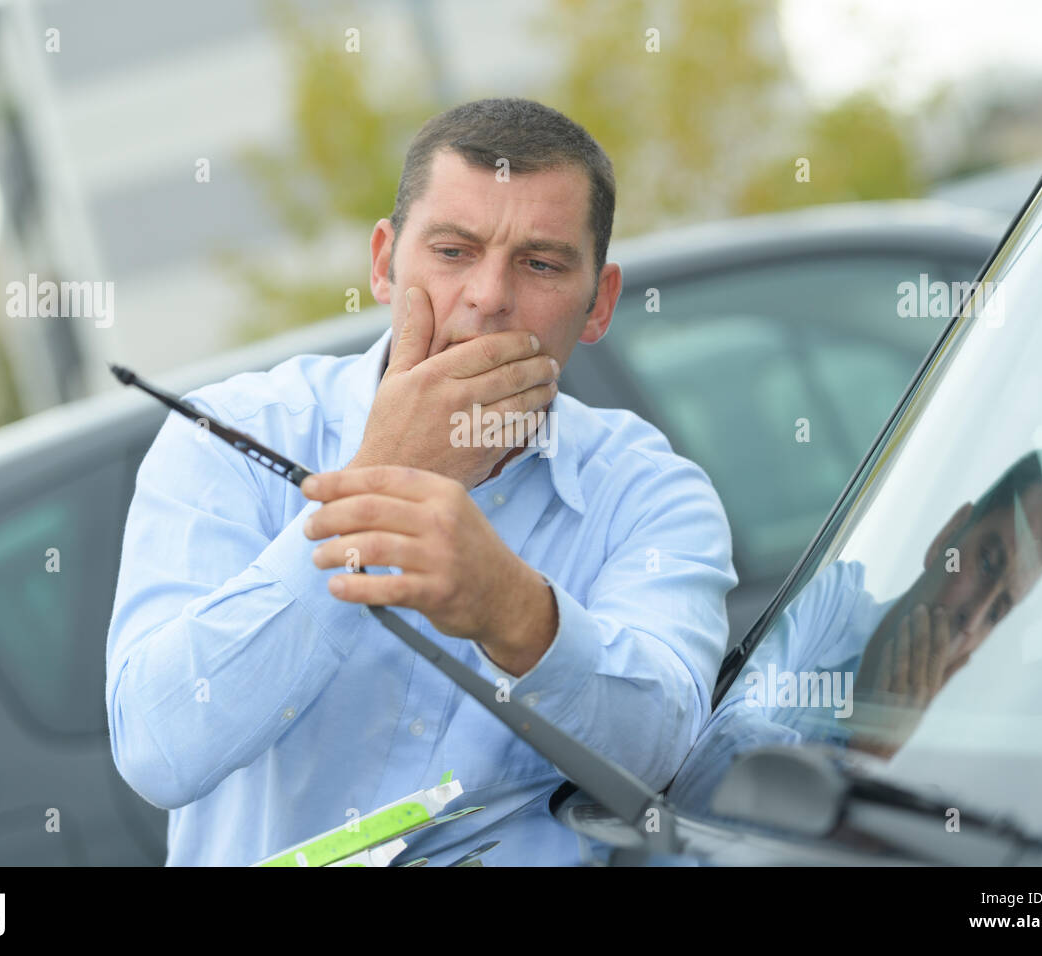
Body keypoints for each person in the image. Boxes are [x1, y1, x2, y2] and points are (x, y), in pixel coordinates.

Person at [105, 98, 737, 866]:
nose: (489, 297)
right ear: (383, 263)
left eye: (540, 263)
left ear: (599, 303)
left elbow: (661, 754)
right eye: (454, 251)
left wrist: (513, 609)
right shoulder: (227, 437)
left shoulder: (649, 495)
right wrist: (382, 478)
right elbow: (159, 748)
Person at [668, 448, 1042, 814]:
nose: (971, 619)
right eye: (987, 562)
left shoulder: (961, 746)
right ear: (947, 537)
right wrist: (860, 760)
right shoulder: (835, 605)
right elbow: (705, 767)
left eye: (998, 612)